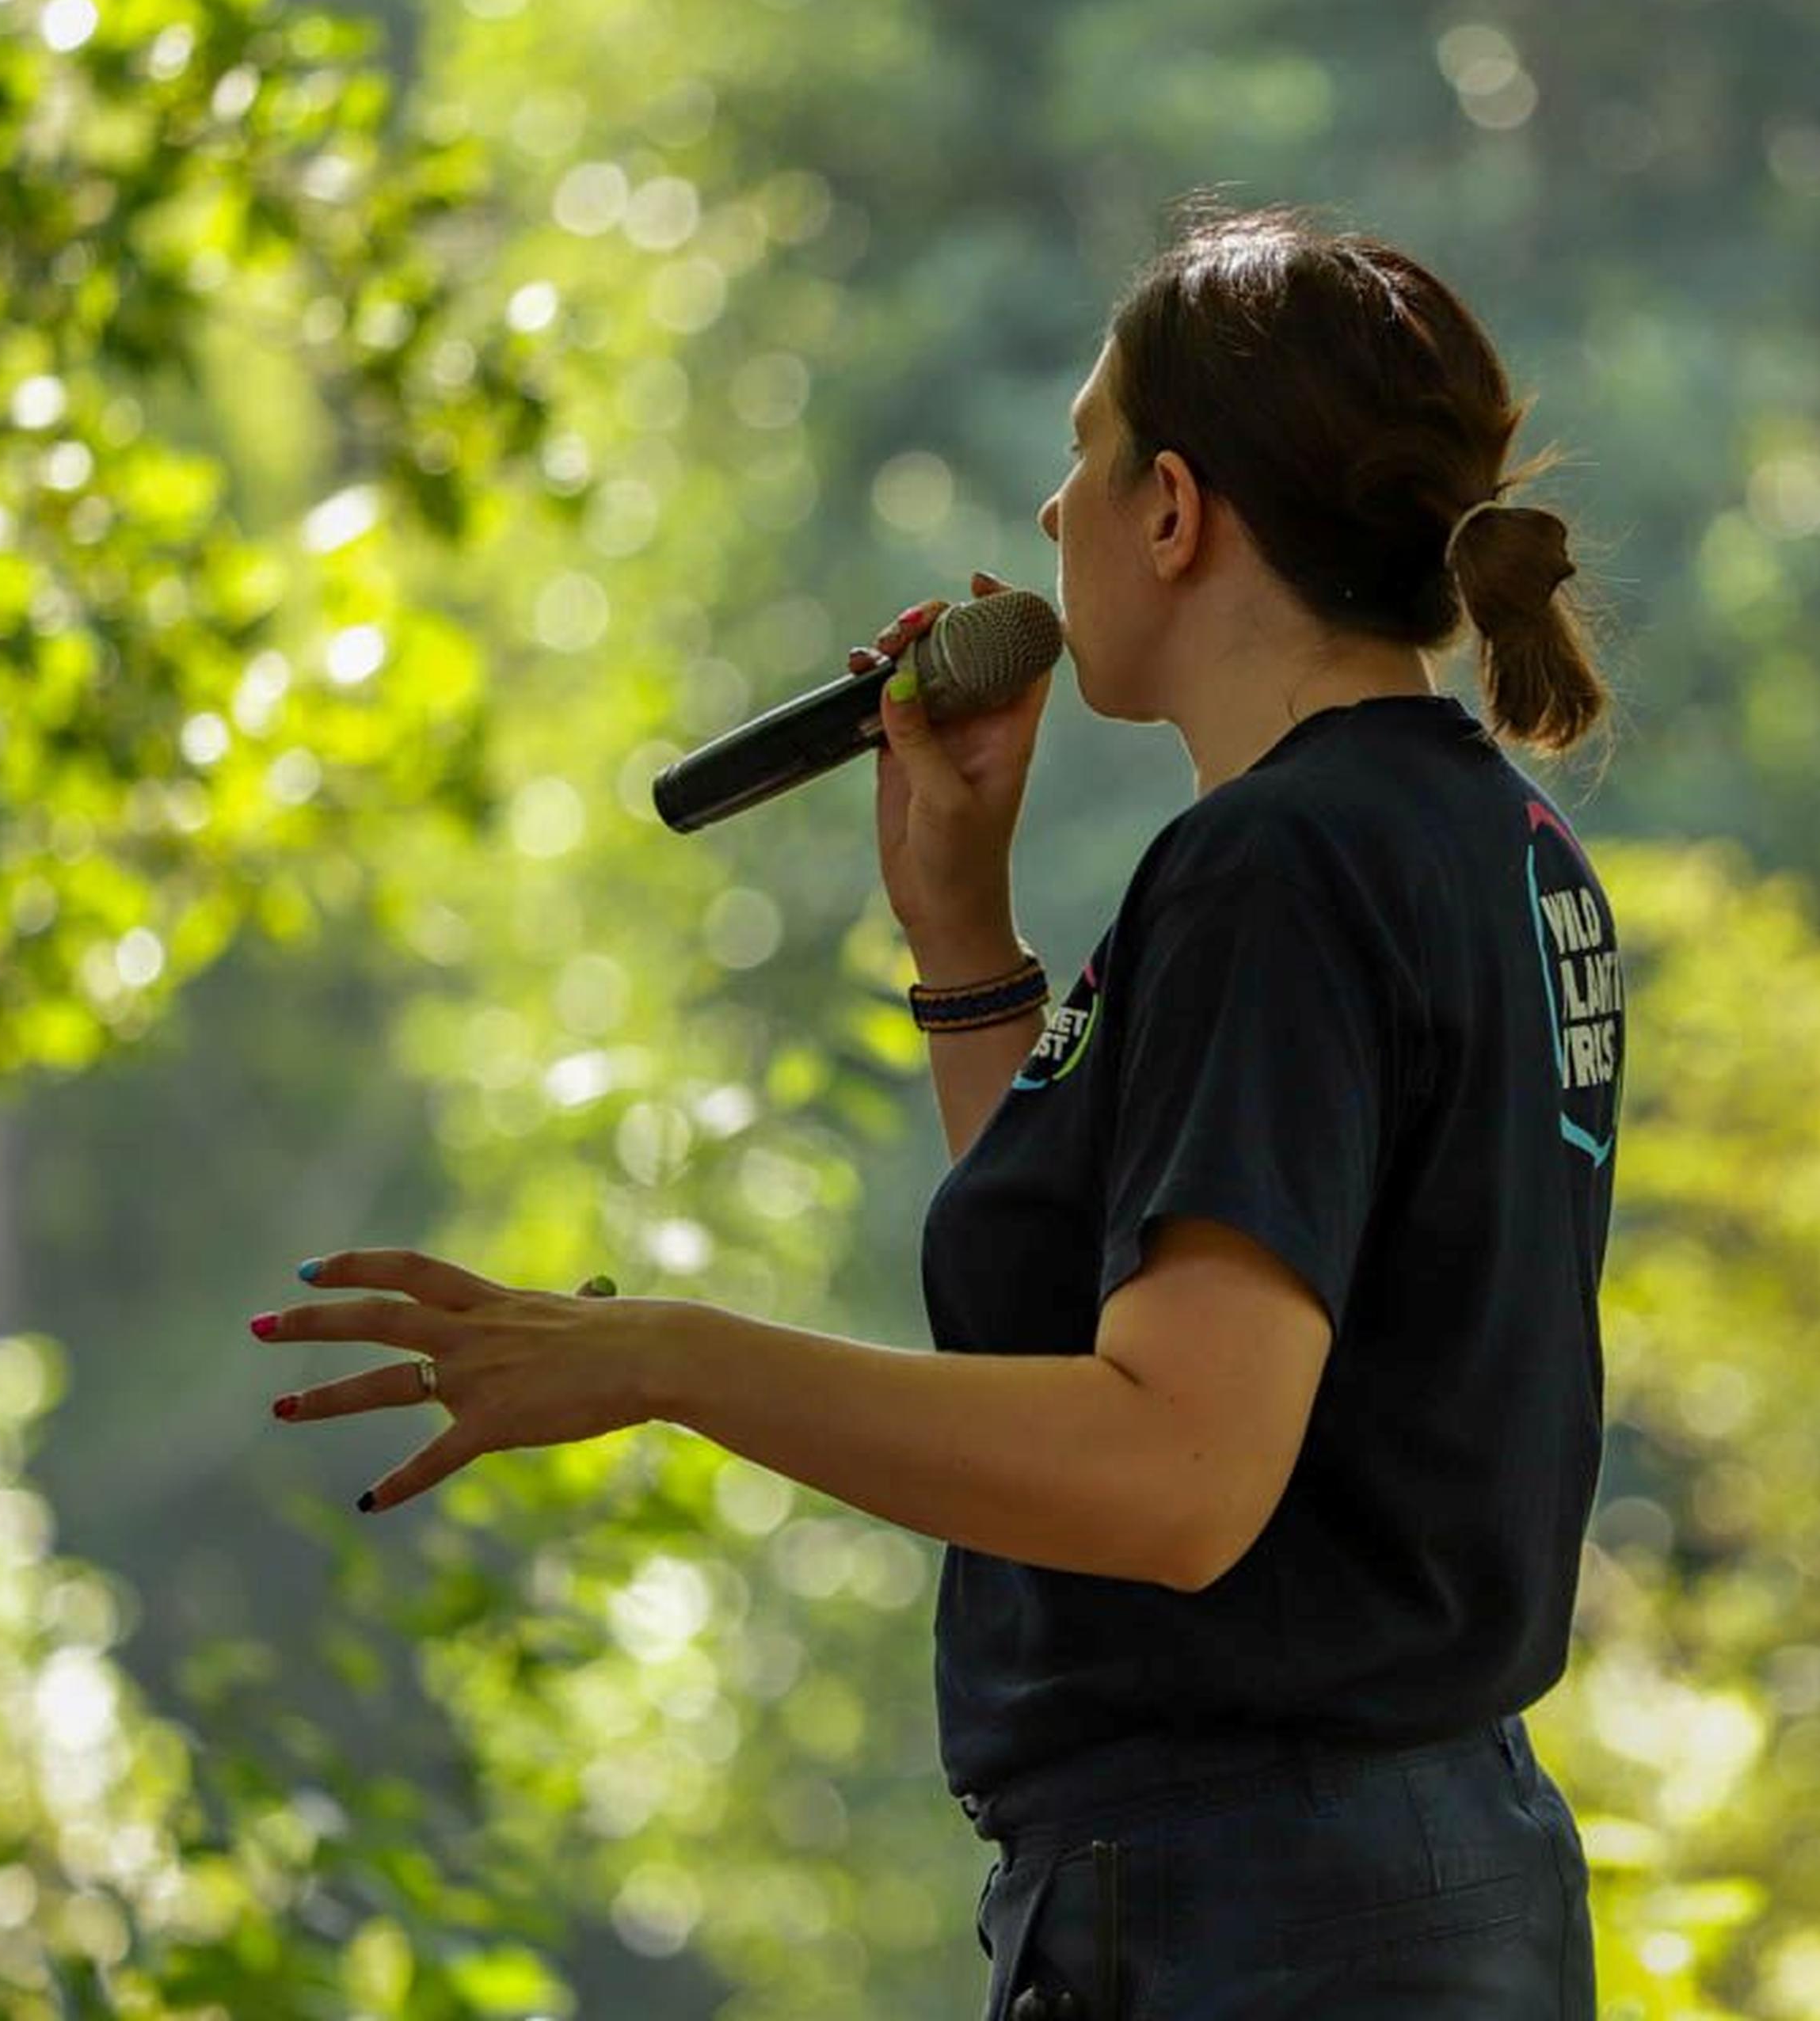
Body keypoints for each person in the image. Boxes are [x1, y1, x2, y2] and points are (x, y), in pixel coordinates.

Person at [253, 205, 1624, 2019]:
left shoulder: (1276, 868)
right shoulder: (1497, 846)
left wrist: (667, 1356)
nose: (1052, 517)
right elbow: (1118, 1325)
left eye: (1086, 449)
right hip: (1421, 1881)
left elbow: (1178, 1472)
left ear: (1173, 510)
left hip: (1265, 1918)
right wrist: (964, 935)